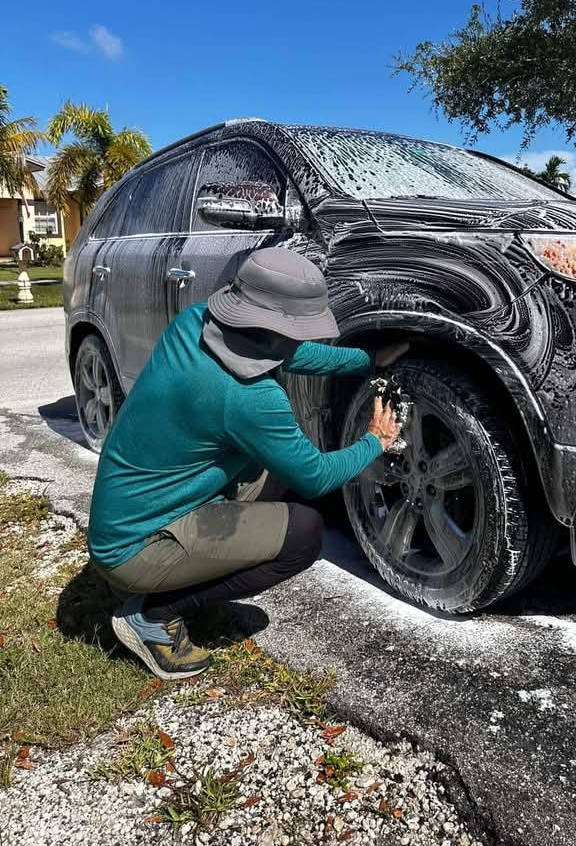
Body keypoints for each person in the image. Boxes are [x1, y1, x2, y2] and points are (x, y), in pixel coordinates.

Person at [88, 247, 407, 679]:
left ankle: (192, 570)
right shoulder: (249, 398)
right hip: (134, 549)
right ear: (274, 326)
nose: (300, 337)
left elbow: (290, 354)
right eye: (298, 327)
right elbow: (314, 476)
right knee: (304, 535)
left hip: (124, 514)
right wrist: (375, 440)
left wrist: (365, 361)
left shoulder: (195, 323)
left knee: (273, 469)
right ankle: (154, 614)